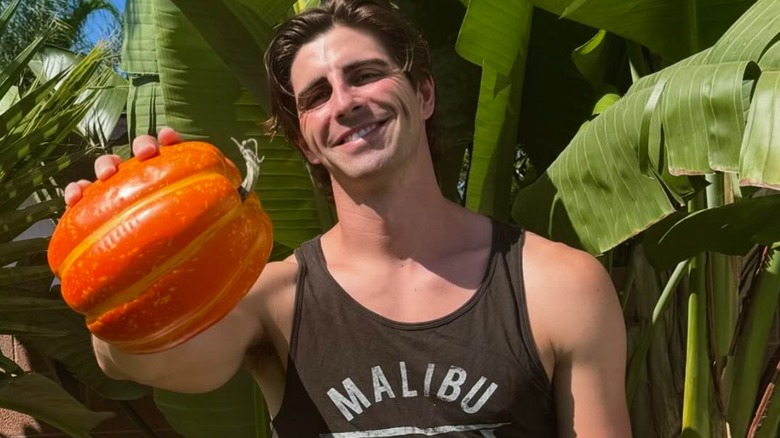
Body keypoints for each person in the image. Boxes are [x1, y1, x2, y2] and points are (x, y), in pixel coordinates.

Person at [64, 0, 631, 436]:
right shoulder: (275, 301)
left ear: (425, 94)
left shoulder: (559, 285)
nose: (344, 101)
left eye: (364, 74)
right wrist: (111, 253)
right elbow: (135, 358)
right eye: (315, 96)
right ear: (306, 142)